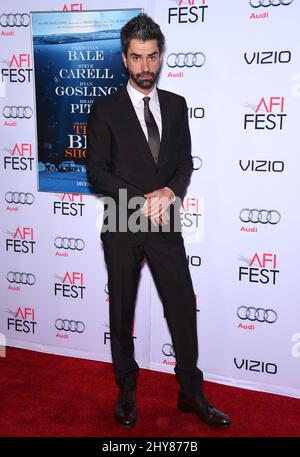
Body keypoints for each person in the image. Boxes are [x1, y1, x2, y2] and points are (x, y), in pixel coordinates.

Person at [87, 13, 231, 428]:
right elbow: (96, 172)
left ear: (161, 55)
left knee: (182, 307)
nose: (146, 67)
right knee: (123, 311)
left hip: (165, 217)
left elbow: (183, 162)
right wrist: (139, 200)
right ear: (124, 58)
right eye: (137, 58)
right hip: (122, 219)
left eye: (152, 57)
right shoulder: (105, 109)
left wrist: (169, 192)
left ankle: (191, 392)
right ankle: (127, 390)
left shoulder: (176, 105)